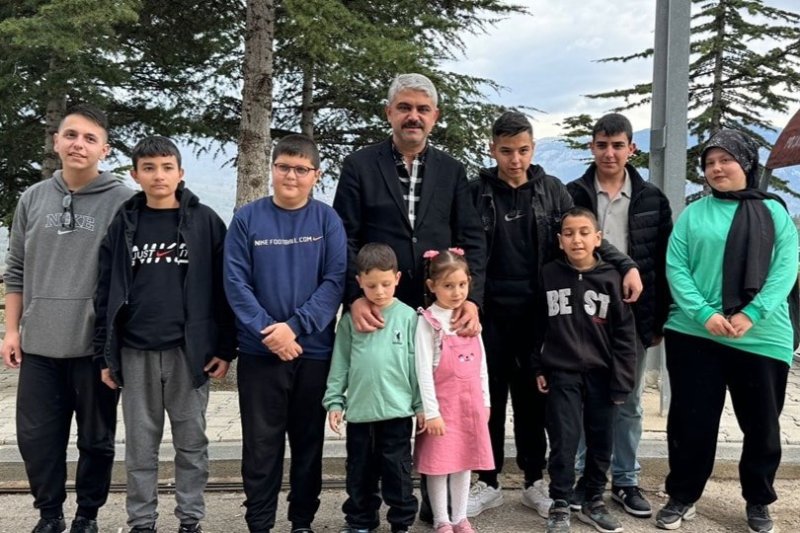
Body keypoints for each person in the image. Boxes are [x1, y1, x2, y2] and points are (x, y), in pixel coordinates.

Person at [467, 111, 642, 520]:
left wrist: (625, 264)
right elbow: (463, 247)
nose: (515, 159)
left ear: (533, 148)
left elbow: (584, 236)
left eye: (523, 150)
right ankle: (488, 481)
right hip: (487, 313)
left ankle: (534, 480)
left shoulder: (553, 191)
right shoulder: (476, 192)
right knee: (488, 399)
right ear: (492, 149)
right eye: (506, 151)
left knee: (534, 400)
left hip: (539, 311)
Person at [333, 72, 487, 522]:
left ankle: (431, 506)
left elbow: (471, 238)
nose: (413, 116)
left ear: (435, 116)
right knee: (385, 417)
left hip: (441, 313)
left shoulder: (452, 170)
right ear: (389, 113)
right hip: (380, 312)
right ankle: (368, 510)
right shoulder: (360, 166)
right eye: (404, 107)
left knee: (434, 408)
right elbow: (344, 236)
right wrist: (354, 297)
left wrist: (470, 300)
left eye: (422, 109)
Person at [655, 130, 798, 533]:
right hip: (696, 332)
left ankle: (759, 500)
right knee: (691, 422)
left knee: (762, 425)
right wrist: (704, 314)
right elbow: (676, 267)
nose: (716, 169)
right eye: (709, 163)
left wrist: (753, 313)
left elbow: (786, 268)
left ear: (746, 163)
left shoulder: (774, 213)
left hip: (761, 335)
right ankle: (682, 495)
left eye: (725, 160)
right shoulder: (693, 214)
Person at [1, 104, 134, 533]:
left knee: (96, 440)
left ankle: (87, 516)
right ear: (56, 141)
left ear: (105, 150)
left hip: (94, 348)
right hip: (39, 343)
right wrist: (11, 331)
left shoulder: (123, 201)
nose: (79, 144)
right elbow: (16, 269)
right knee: (37, 439)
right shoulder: (33, 198)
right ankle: (50, 515)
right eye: (71, 135)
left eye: (90, 138)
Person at [93, 136, 236, 533]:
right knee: (141, 447)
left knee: (192, 443)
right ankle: (142, 522)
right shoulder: (123, 223)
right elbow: (105, 291)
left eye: (167, 167)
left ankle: (190, 520)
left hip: (188, 353)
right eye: (149, 168)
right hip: (134, 351)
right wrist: (104, 354)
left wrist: (226, 347)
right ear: (135, 174)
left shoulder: (205, 221)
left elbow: (224, 288)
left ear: (180, 172)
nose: (159, 175)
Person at [224, 134, 347, 533]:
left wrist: (294, 328)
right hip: (260, 353)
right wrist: (270, 332)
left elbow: (335, 281)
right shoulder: (247, 219)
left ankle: (302, 522)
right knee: (261, 446)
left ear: (316, 175)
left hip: (313, 353)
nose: (291, 176)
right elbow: (236, 283)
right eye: (283, 167)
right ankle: (260, 522)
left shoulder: (327, 220)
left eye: (300, 169)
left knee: (308, 444)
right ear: (272, 169)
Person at [566, 113, 673, 518]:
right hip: (584, 315)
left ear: (632, 148)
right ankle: (583, 477)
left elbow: (663, 262)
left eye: (617, 145)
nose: (609, 153)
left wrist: (659, 318)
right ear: (591, 147)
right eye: (602, 145)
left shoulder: (651, 199)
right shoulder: (573, 194)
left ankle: (626, 479)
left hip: (633, 316)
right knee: (584, 399)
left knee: (628, 401)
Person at [533, 207, 637, 533]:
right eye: (568, 233)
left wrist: (622, 381)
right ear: (559, 240)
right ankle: (560, 502)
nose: (576, 239)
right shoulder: (548, 274)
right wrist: (537, 366)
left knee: (601, 440)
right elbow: (535, 325)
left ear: (598, 238)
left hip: (602, 376)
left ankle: (593, 499)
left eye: (583, 232)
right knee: (563, 440)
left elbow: (624, 335)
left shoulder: (611, 278)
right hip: (561, 373)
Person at [323, 243, 422, 533]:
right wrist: (335, 401)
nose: (379, 291)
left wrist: (421, 406)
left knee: (397, 470)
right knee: (359, 470)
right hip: (360, 413)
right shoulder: (350, 322)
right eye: (371, 285)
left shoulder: (408, 317)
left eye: (386, 284)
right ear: (359, 282)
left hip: (397, 411)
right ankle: (360, 520)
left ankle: (401, 521)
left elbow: (417, 367)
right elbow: (340, 363)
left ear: (397, 278)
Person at [414, 248, 494, 533]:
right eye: (448, 286)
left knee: (464, 461)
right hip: (442, 406)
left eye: (462, 284)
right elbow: (423, 369)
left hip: (469, 403)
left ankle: (460, 516)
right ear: (432, 286)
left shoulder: (469, 318)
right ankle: (441, 519)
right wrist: (431, 412)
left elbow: (482, 363)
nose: (457, 292)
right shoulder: (427, 321)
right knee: (439, 463)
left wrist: (485, 400)